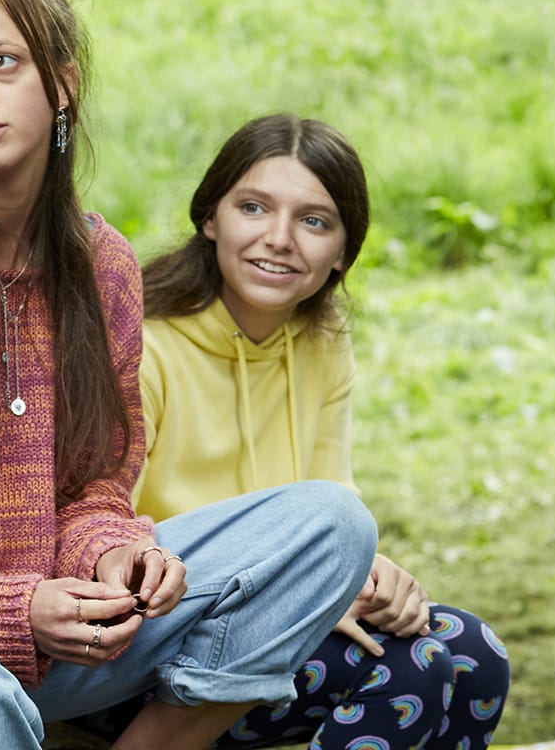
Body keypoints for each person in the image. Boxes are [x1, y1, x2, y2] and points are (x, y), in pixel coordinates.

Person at [0, 0, 379, 749]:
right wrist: (12, 610)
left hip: (75, 626)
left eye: (2, 61)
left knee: (332, 525)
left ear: (63, 84)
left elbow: (96, 482)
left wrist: (117, 555)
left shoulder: (103, 262)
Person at [127, 114, 508, 748]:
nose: (279, 239)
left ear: (343, 252)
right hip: (158, 639)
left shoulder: (321, 340)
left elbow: (334, 497)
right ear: (210, 217)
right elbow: (109, 539)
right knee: (411, 668)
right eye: (253, 207)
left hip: (279, 609)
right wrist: (294, 593)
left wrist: (373, 578)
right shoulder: (143, 345)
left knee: (476, 656)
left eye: (313, 221)